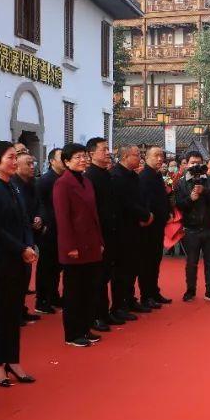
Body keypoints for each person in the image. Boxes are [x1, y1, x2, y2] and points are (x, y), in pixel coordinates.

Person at [0, 141, 38, 387]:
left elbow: (24, 222)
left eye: (16, 158)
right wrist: (21, 248)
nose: (15, 162)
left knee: (14, 315)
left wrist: (30, 245)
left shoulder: (13, 187)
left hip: (19, 260)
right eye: (11, 158)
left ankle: (12, 359)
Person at [53, 143, 104, 347]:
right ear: (66, 162)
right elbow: (62, 218)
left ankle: (85, 328)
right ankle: (72, 334)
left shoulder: (87, 181)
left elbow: (94, 215)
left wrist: (100, 241)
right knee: (74, 291)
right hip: (74, 246)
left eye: (84, 157)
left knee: (89, 290)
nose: (82, 160)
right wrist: (69, 246)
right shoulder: (62, 184)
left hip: (91, 244)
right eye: (77, 158)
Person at [175, 151, 210, 302]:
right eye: (192, 162)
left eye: (198, 162)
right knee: (191, 263)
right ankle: (190, 290)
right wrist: (190, 198)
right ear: (186, 164)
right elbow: (179, 205)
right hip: (191, 229)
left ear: (203, 163)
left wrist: (205, 191)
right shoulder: (181, 182)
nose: (195, 165)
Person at [109, 145, 152, 318]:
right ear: (126, 156)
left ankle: (130, 298)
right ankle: (119, 305)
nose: (140, 158)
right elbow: (125, 203)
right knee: (121, 270)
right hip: (121, 229)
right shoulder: (116, 176)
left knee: (134, 266)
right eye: (137, 155)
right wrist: (145, 214)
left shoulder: (134, 176)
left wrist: (146, 214)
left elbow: (140, 199)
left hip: (136, 227)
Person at [85, 137, 122, 331]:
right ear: (91, 154)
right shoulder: (90, 176)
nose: (108, 152)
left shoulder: (107, 174)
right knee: (97, 277)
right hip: (98, 235)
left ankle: (105, 312)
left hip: (111, 232)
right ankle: (96, 316)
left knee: (106, 274)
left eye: (108, 149)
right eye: (104, 149)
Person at [138, 146, 172, 309]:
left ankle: (154, 291)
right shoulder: (144, 176)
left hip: (158, 224)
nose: (160, 159)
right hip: (148, 225)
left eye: (162, 156)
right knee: (147, 261)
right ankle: (146, 295)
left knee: (155, 260)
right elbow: (146, 202)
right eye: (156, 156)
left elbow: (162, 198)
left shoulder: (157, 176)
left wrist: (168, 212)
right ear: (146, 157)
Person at [34, 148, 65, 315]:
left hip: (61, 228)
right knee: (46, 266)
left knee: (57, 266)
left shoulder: (64, 179)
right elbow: (40, 204)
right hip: (49, 229)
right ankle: (42, 299)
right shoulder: (45, 181)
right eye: (62, 158)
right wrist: (44, 223)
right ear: (52, 161)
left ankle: (53, 295)